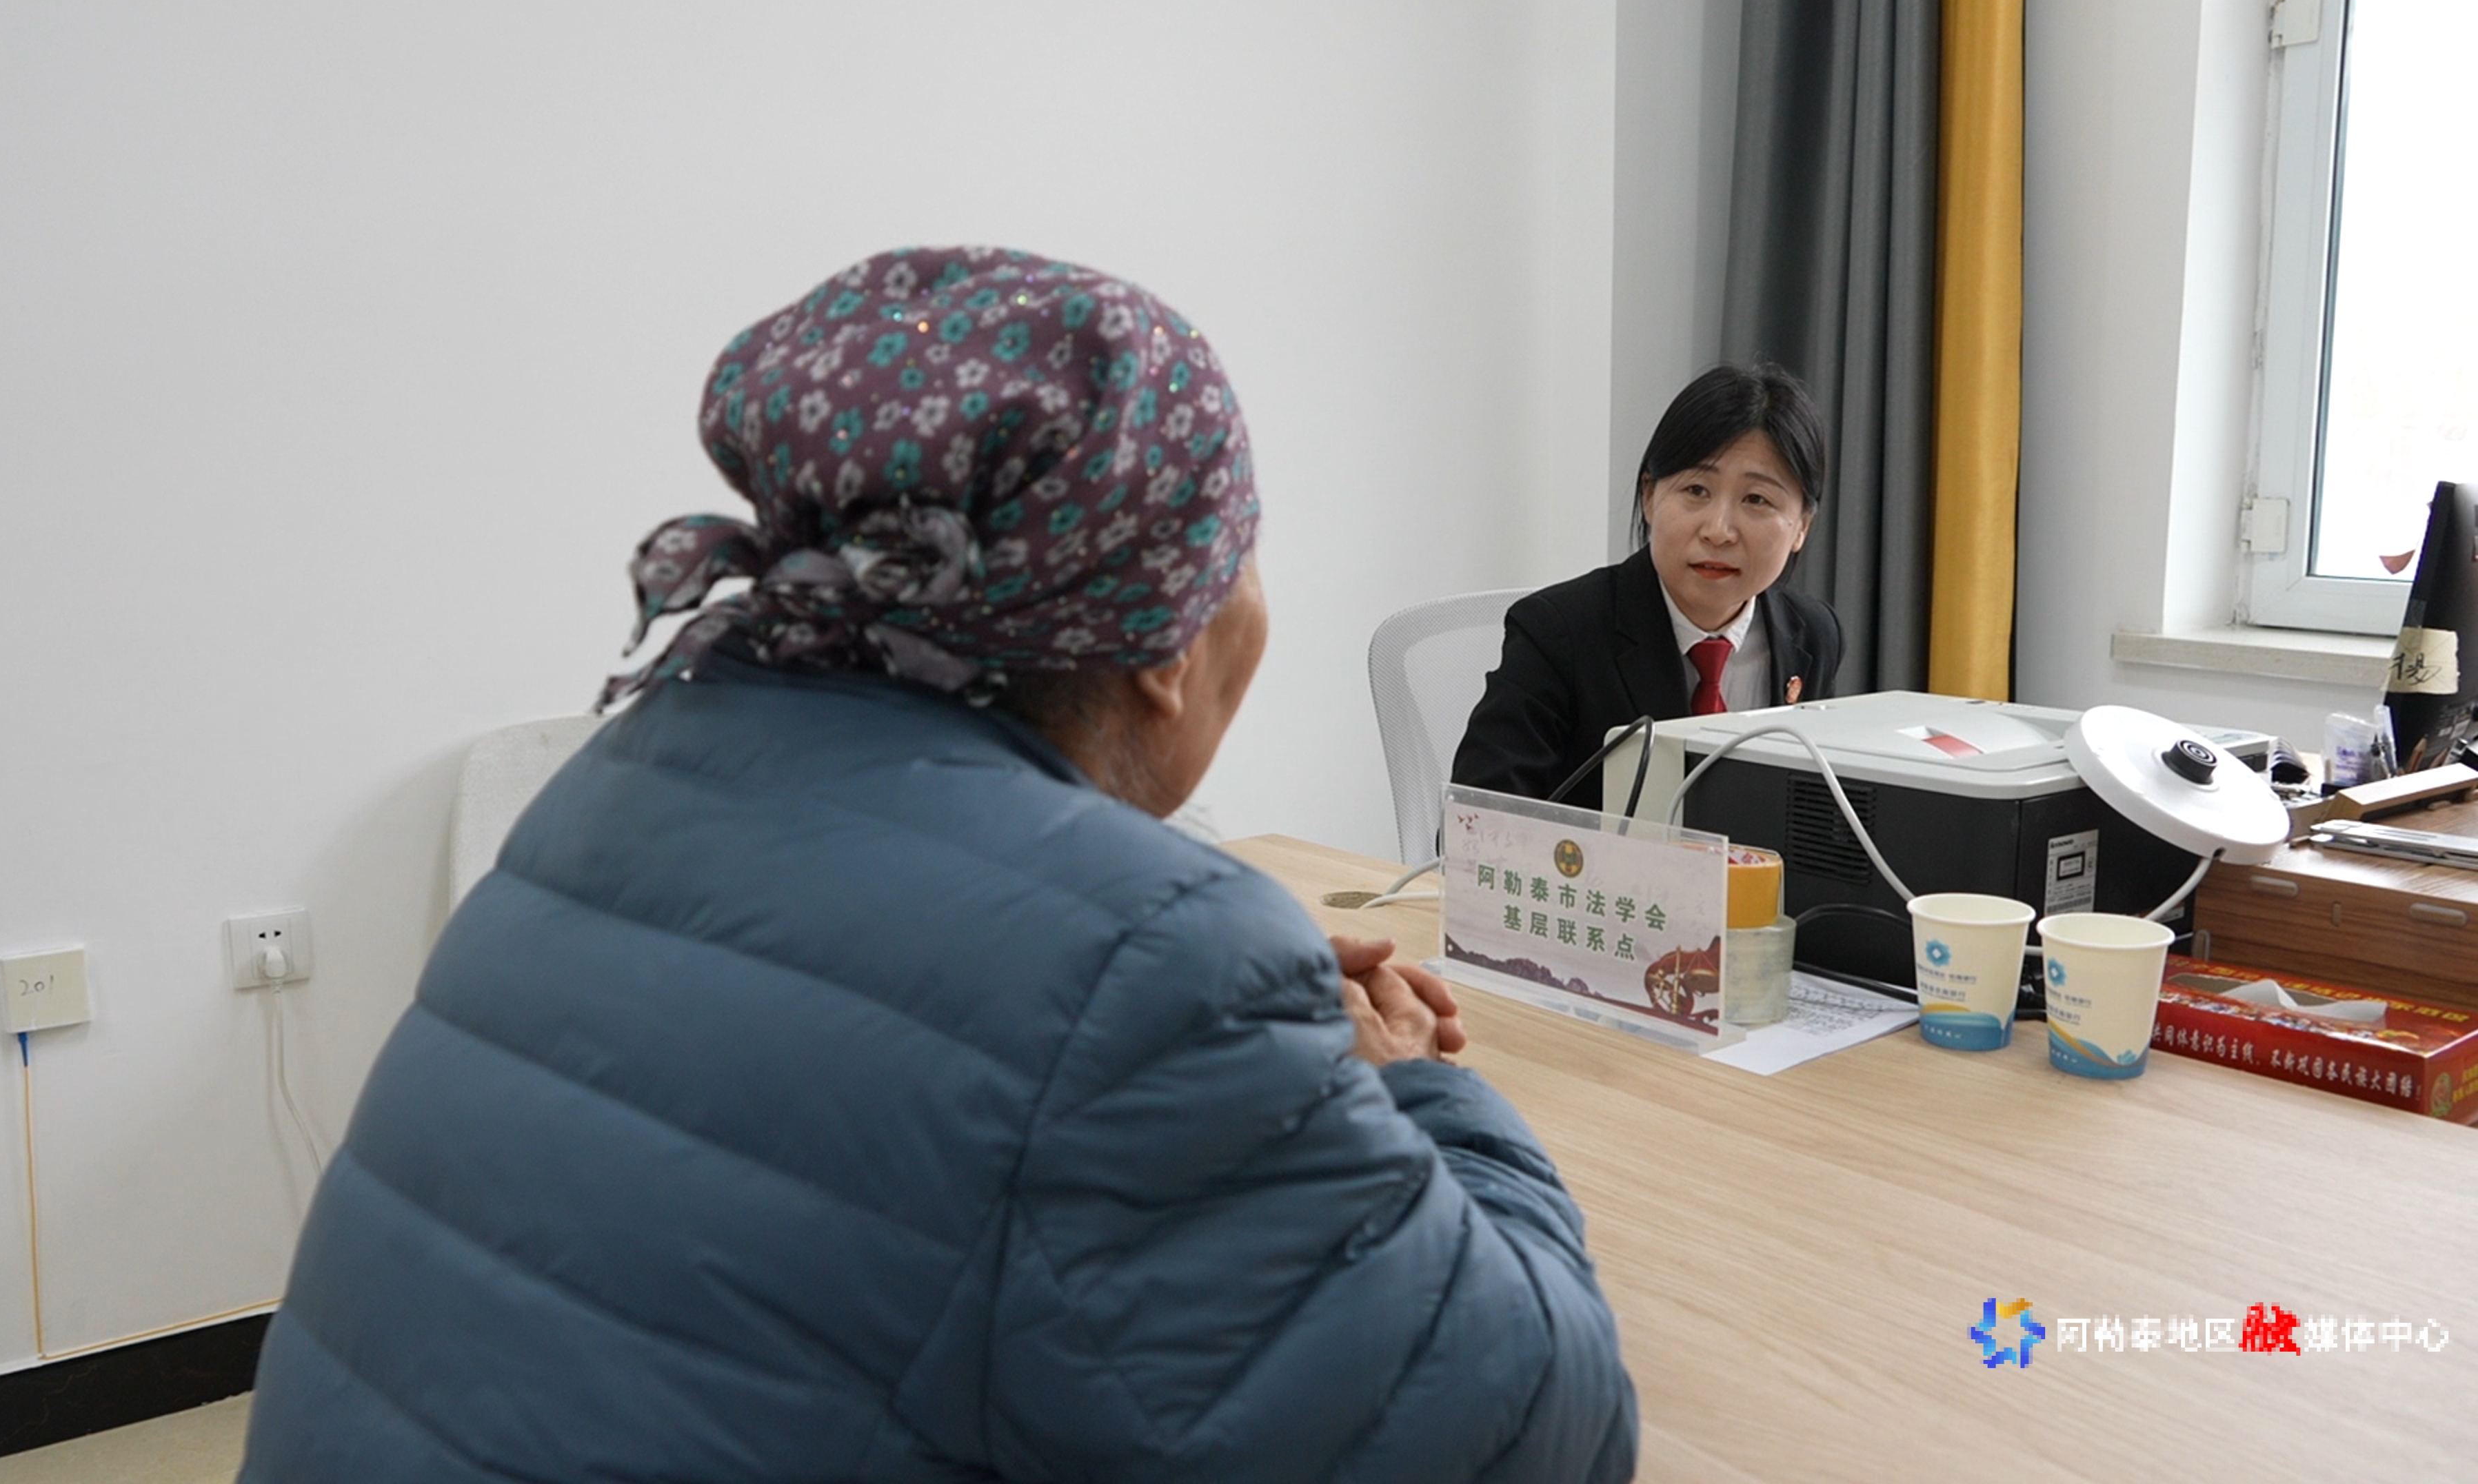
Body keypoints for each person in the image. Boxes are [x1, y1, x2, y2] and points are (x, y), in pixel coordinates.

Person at [240, 246, 1638, 1483]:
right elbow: (1531, 1438)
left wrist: (1222, 1040)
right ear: (1165, 647)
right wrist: (1414, 1090)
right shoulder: (1138, 970)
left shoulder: (623, 787)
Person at [1452, 363, 1843, 806]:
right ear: (1650, 496)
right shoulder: (1559, 633)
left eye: (1757, 499)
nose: (1719, 531)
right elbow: (1475, 822)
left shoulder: (1813, 635)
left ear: (1802, 527)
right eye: (1696, 490)